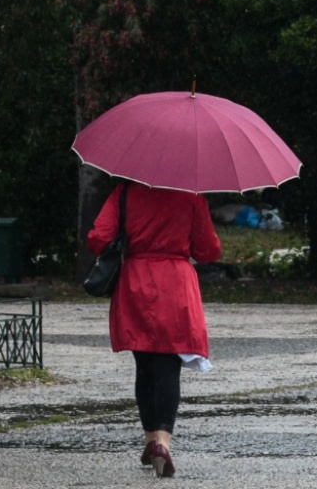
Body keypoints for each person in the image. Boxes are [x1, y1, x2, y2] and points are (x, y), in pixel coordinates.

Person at [86, 180, 222, 478]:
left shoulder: (125, 192)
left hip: (135, 282)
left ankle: (150, 440)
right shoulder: (191, 195)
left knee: (144, 365)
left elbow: (98, 238)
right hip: (175, 284)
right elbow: (209, 250)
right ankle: (162, 442)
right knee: (168, 367)